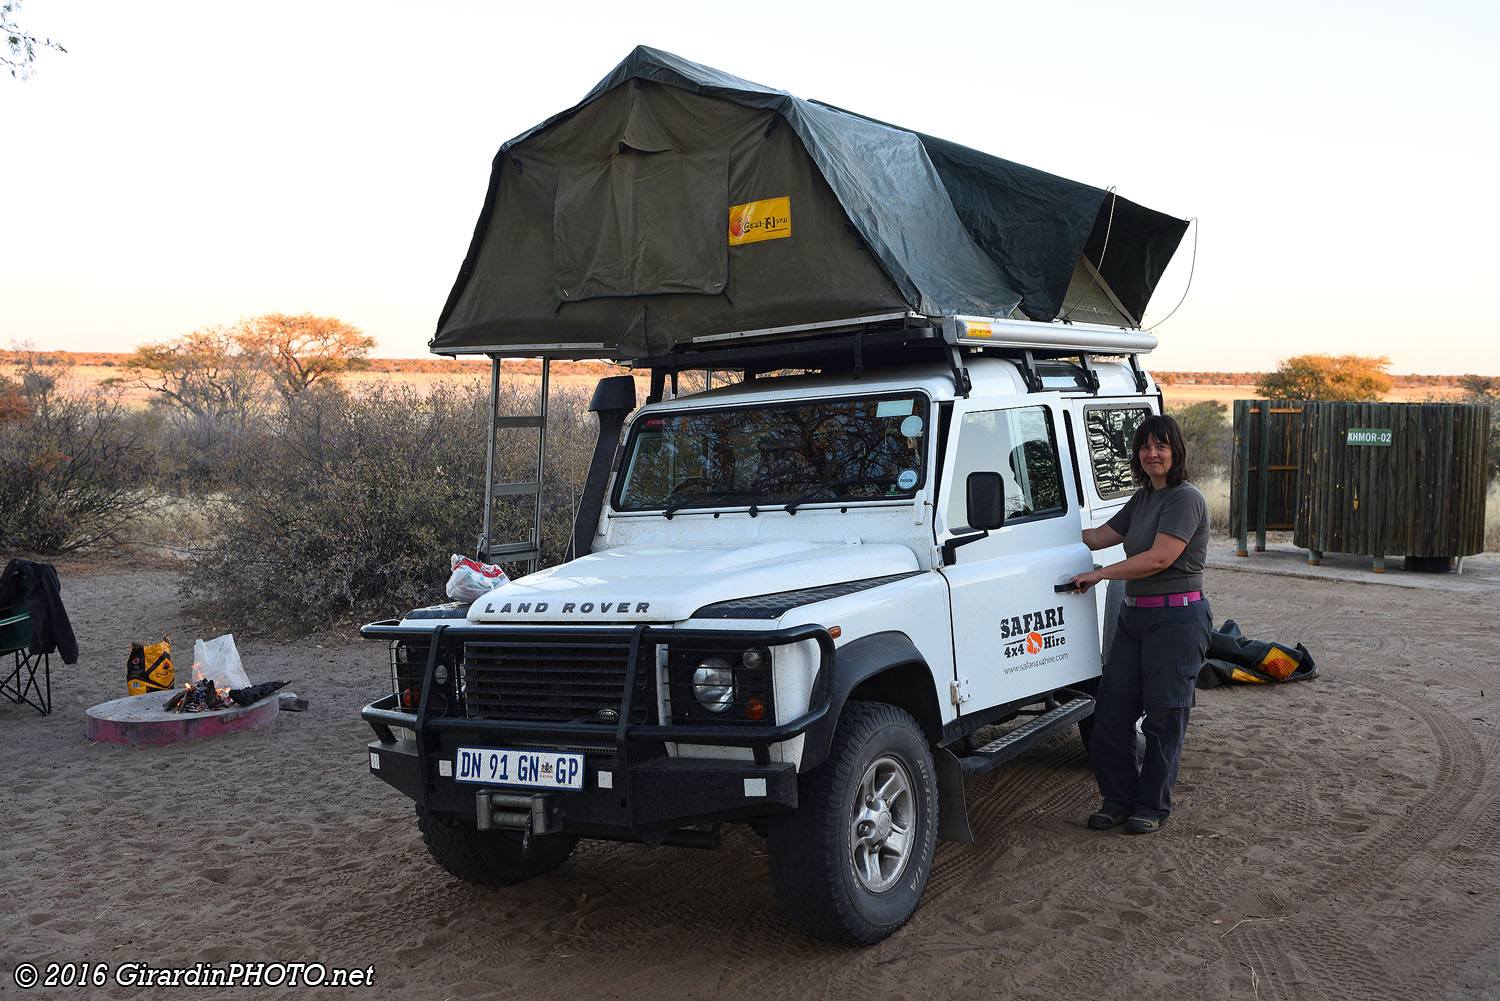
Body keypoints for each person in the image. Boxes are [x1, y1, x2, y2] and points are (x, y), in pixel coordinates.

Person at [1068, 414, 1211, 835]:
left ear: (1176, 451)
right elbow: (1096, 537)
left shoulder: (1186, 499)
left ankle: (1150, 806)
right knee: (1111, 715)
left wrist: (1101, 574)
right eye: (1146, 447)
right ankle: (1117, 802)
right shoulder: (1143, 498)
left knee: (1163, 720)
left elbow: (1160, 558)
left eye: (1161, 446)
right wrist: (1033, 528)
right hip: (1135, 617)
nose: (1152, 454)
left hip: (1177, 620)